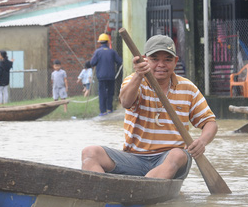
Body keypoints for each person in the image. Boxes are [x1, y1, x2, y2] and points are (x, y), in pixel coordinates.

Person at [81, 35, 218, 180]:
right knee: (89, 153)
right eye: (154, 59)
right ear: (144, 59)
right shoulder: (133, 81)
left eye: (167, 59)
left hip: (170, 160)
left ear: (175, 61)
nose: (161, 64)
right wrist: (139, 75)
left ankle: (144, 190)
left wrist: (202, 142)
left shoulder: (188, 88)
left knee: (178, 154)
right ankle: (102, 195)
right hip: (134, 159)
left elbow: (210, 122)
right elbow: (126, 102)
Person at [90, 33, 122, 116]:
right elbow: (119, 61)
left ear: (100, 42)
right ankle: (110, 109)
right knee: (110, 93)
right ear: (108, 42)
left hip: (101, 77)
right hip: (111, 76)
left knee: (102, 94)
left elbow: (92, 63)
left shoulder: (97, 52)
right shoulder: (112, 52)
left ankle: (103, 111)